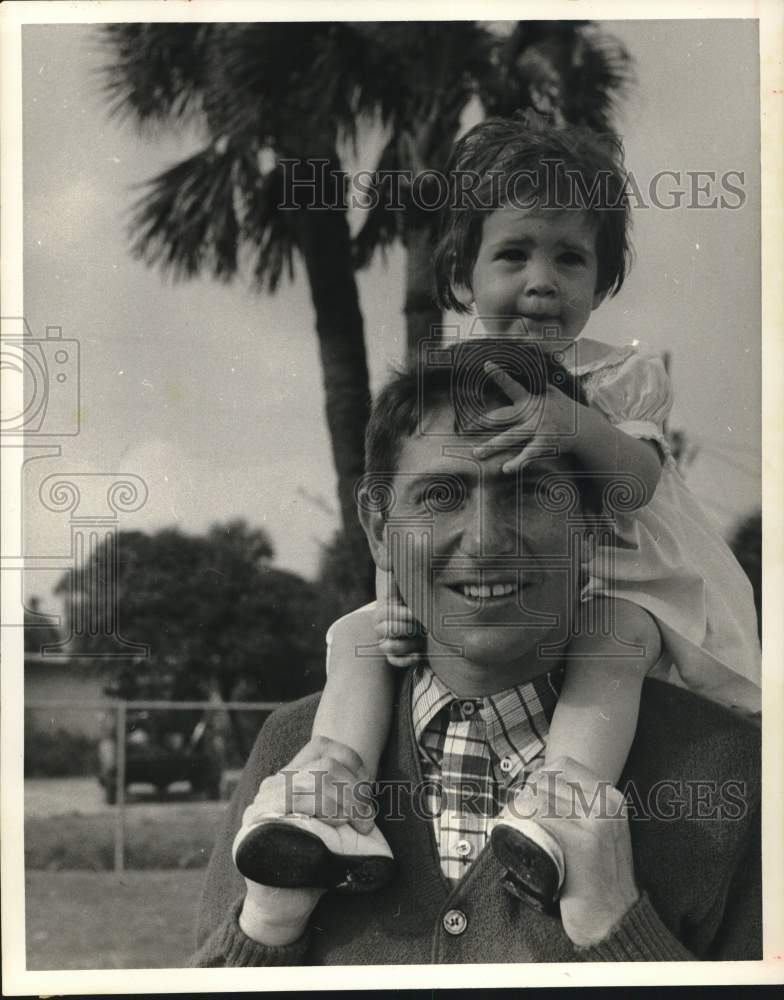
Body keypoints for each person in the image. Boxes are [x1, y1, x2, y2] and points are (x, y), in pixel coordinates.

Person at [232, 112, 761, 910]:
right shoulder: (450, 379)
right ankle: (330, 790)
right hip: (498, 575)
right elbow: (412, 508)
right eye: (514, 254)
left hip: (626, 574)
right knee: (354, 635)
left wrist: (571, 422)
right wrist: (394, 598)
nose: (542, 281)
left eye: (570, 259)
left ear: (602, 282)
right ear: (463, 276)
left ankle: (562, 800)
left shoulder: (615, 379)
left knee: (609, 639)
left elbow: (640, 481)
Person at [192, 341, 761, 965]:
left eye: (529, 491)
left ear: (595, 522)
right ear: (380, 530)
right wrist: (267, 928)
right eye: (441, 495)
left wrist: (617, 932)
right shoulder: (290, 751)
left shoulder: (730, 772)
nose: (486, 541)